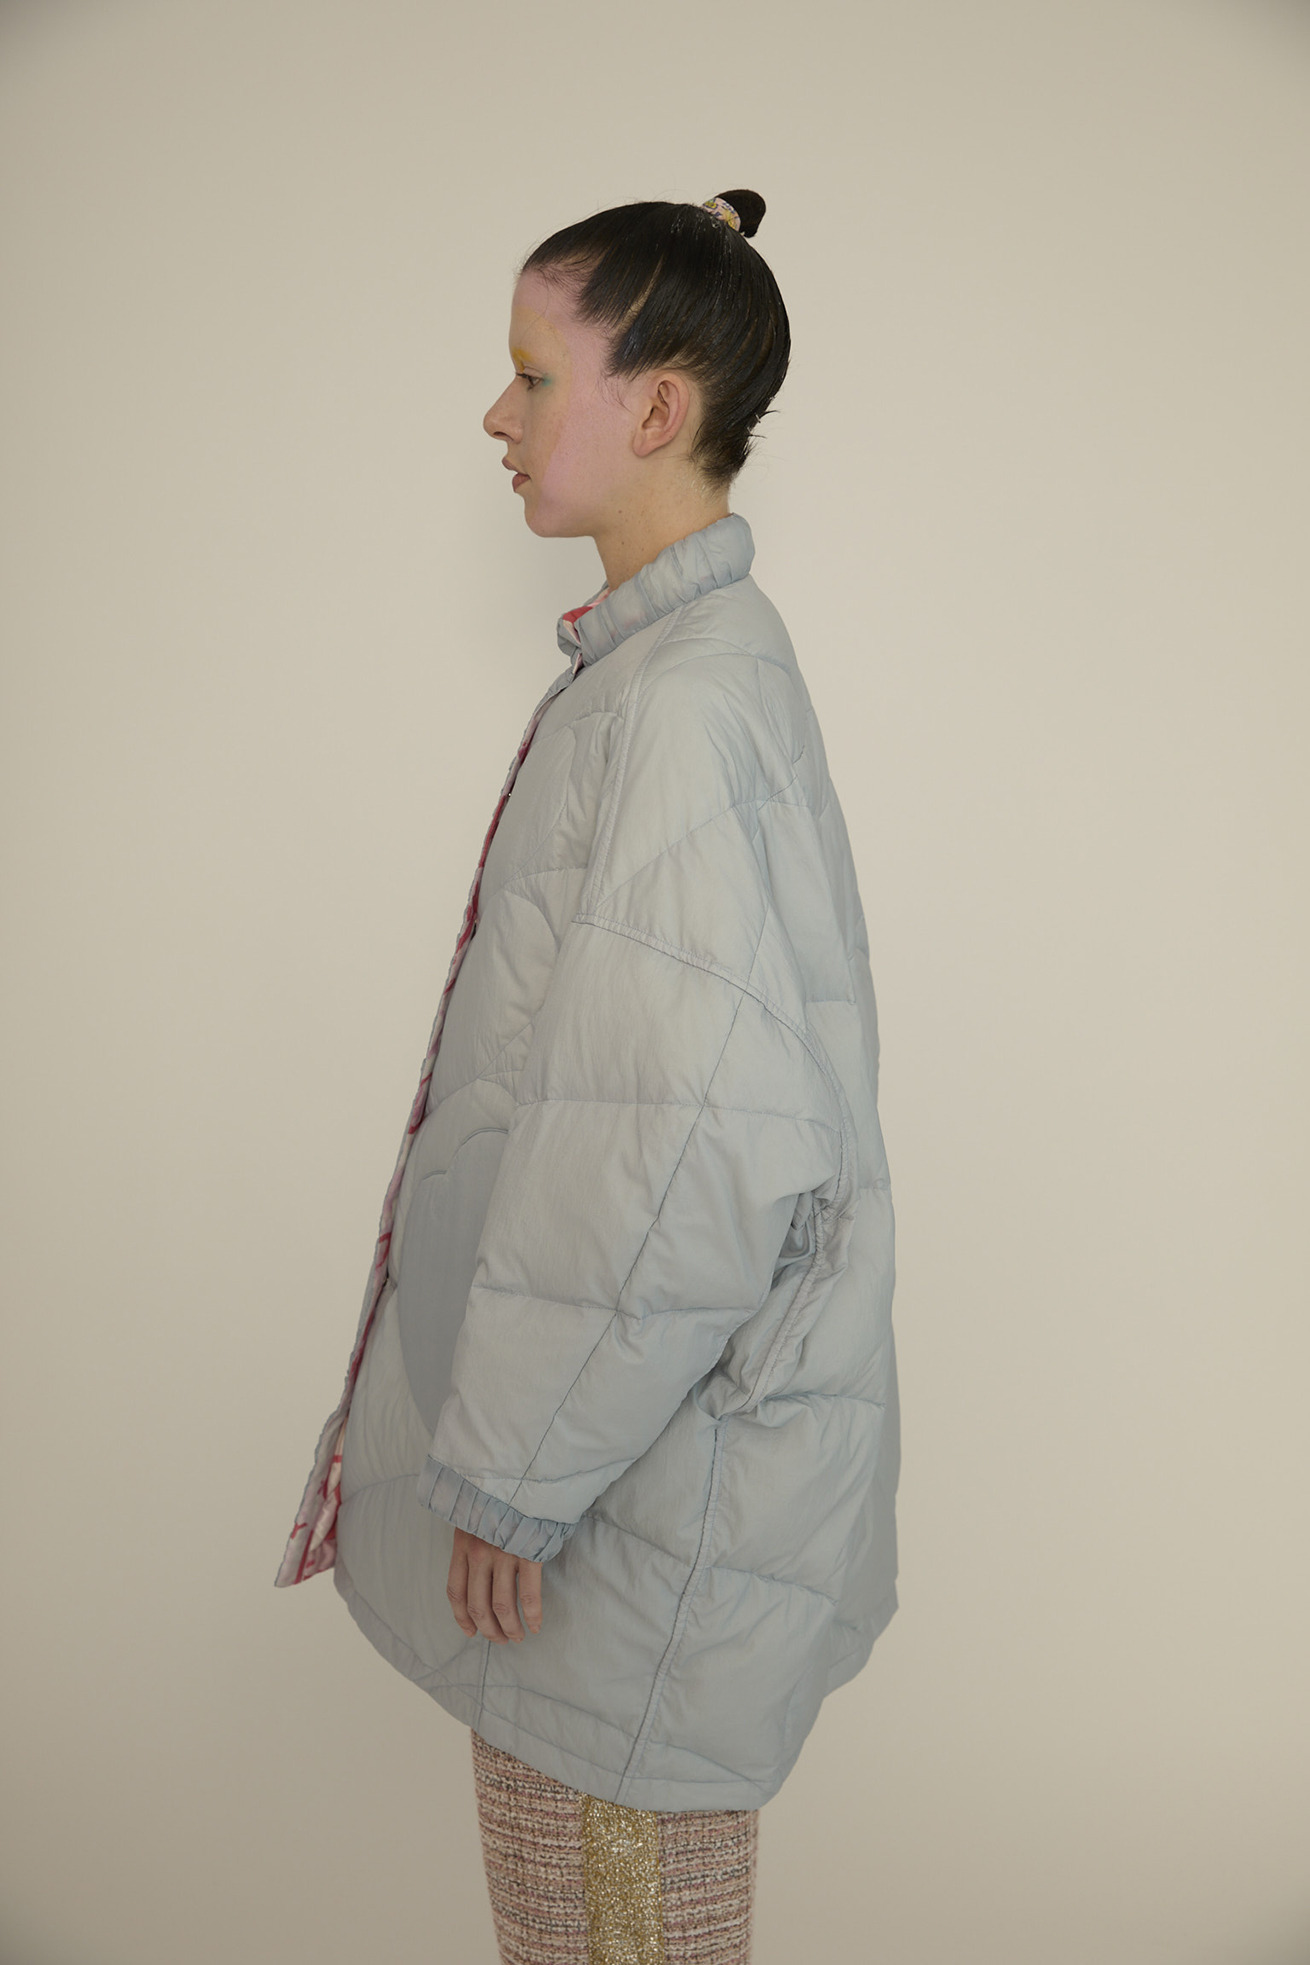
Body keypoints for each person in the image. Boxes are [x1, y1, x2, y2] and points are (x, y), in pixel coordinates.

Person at [275, 189, 900, 1963]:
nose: (495, 414)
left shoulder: (685, 703)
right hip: (632, 1489)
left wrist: (519, 1475)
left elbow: (686, 1150)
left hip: (630, 1517)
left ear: (656, 405)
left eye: (531, 375)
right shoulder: (658, 677)